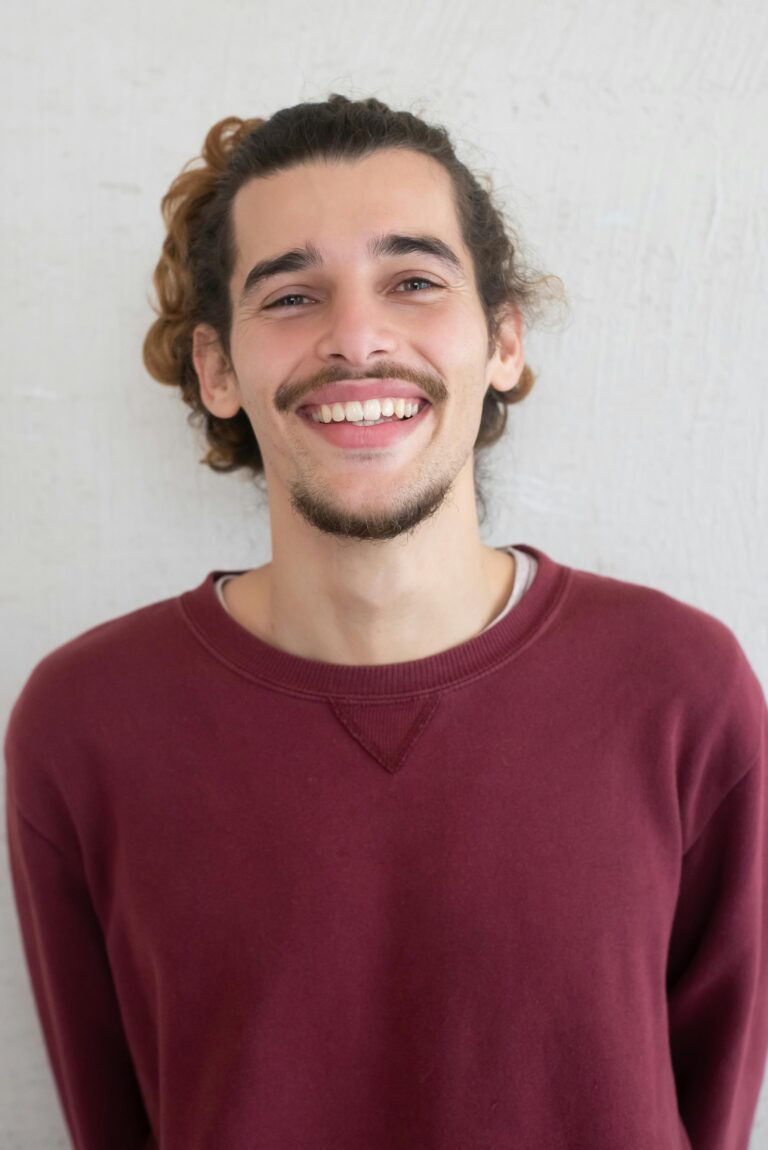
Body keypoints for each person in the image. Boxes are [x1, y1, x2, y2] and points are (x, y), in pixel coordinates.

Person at [4, 94, 767, 1150]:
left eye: (413, 282)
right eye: (291, 295)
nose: (357, 338)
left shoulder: (680, 687)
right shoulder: (87, 724)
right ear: (217, 370)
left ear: (503, 340)